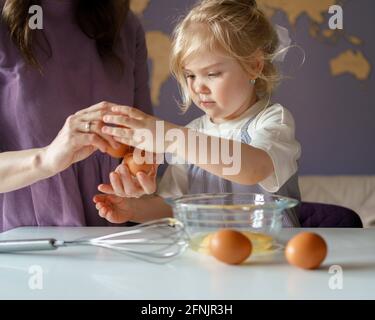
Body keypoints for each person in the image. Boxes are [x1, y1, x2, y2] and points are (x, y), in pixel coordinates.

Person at [93, 0, 302, 227]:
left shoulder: (272, 120)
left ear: (254, 66)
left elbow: (253, 168)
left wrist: (170, 137)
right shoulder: (192, 133)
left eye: (212, 74)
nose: (197, 87)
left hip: (271, 254)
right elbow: (172, 208)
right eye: (190, 76)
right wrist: (133, 209)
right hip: (207, 256)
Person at [0, 0, 157, 232]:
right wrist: (45, 159)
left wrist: (138, 180)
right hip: (24, 241)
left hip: (111, 237)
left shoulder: (124, 25)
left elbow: (144, 142)